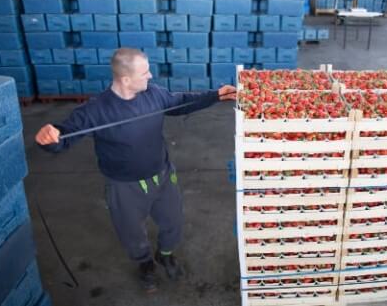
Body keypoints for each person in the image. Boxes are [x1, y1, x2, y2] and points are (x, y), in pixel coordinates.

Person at [35, 48, 236, 292]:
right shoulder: (96, 109)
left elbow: (180, 101)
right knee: (131, 232)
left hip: (162, 175)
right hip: (124, 186)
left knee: (173, 221)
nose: (150, 76)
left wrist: (215, 95)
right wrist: (50, 136)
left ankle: (165, 255)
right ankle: (145, 265)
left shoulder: (154, 94)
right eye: (145, 72)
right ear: (126, 79)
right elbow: (63, 136)